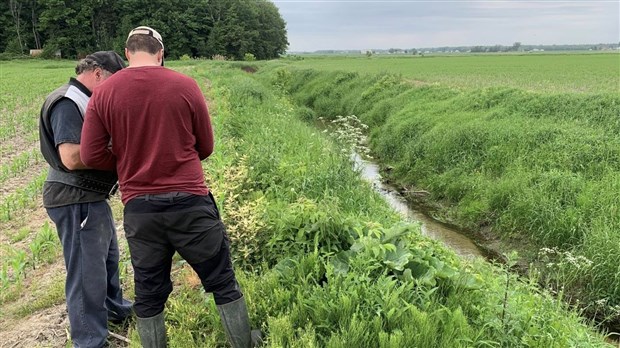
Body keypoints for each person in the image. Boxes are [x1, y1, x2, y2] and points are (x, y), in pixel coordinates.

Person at [80, 26, 260, 348]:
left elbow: (91, 154)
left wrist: (127, 163)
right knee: (222, 281)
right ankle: (245, 343)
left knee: (148, 293)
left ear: (127, 53)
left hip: (141, 210)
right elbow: (205, 145)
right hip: (190, 203)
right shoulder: (185, 85)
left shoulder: (104, 93)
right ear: (160, 53)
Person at [39, 51, 133, 348]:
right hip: (74, 196)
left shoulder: (86, 99)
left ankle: (116, 310)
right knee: (85, 271)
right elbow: (70, 157)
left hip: (90, 194)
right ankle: (90, 340)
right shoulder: (69, 102)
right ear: (97, 74)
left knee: (107, 259)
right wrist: (120, 150)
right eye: (114, 83)